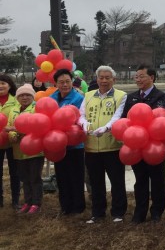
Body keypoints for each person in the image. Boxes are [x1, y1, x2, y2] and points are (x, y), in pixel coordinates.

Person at [78, 65, 127, 224]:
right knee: (95, 182)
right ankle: (98, 212)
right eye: (101, 77)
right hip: (91, 147)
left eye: (108, 78)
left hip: (112, 146)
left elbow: (118, 117)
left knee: (117, 181)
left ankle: (118, 212)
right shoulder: (88, 95)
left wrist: (106, 128)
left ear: (114, 79)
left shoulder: (121, 96)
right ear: (97, 79)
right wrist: (83, 123)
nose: (104, 80)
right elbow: (81, 115)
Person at [122, 64, 165, 224]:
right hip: (136, 147)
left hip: (154, 147)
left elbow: (162, 121)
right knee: (140, 180)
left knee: (157, 180)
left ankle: (156, 212)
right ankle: (139, 212)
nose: (138, 79)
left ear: (152, 78)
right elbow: (125, 119)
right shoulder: (131, 97)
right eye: (137, 76)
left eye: (142, 76)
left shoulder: (161, 97)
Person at [50, 69, 86, 215]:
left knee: (76, 176)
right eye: (61, 82)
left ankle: (78, 206)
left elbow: (81, 120)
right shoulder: (51, 98)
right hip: (57, 144)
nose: (65, 84)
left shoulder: (78, 99)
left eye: (67, 81)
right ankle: (65, 206)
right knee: (61, 176)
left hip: (75, 144)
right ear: (56, 83)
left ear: (72, 82)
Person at [6, 84, 43, 214]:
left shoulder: (36, 109)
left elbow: (39, 126)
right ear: (17, 97)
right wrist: (12, 135)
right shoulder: (14, 110)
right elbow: (9, 126)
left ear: (32, 96)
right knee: (24, 178)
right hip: (18, 151)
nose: (24, 97)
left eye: (28, 95)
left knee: (35, 177)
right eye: (21, 95)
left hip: (34, 150)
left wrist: (20, 132)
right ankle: (27, 201)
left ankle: (36, 203)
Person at [0, 73, 19, 209]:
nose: (0, 86)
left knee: (15, 172)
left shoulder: (16, 100)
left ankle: (16, 200)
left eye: (3, 83)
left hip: (13, 142)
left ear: (9, 85)